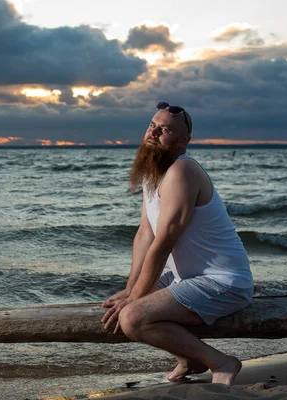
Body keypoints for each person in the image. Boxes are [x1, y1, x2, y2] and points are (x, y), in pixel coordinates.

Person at [101, 102, 253, 386]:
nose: (154, 133)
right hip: (187, 277)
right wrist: (130, 288)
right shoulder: (153, 171)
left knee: (133, 318)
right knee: (122, 304)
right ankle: (189, 359)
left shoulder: (183, 171)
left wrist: (135, 300)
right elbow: (145, 233)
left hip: (223, 282)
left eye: (165, 129)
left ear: (184, 141)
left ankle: (221, 362)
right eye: (152, 126)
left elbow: (164, 241)